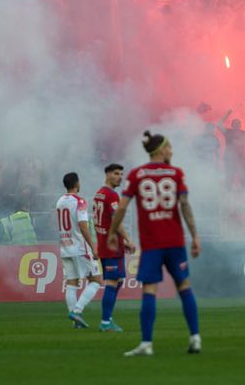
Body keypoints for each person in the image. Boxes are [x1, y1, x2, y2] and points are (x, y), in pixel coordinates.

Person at [107, 130, 201, 357]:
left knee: (149, 290)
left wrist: (112, 232)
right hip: (175, 242)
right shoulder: (176, 173)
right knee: (184, 287)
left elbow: (121, 207)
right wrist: (194, 236)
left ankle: (146, 343)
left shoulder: (137, 175)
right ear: (160, 149)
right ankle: (195, 338)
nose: (171, 151)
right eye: (169, 147)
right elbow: (185, 205)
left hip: (152, 244)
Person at [55, 172, 102, 329]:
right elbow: (83, 225)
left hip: (65, 247)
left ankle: (76, 322)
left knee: (72, 282)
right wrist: (93, 245)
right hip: (79, 247)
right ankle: (77, 311)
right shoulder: (80, 201)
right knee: (96, 281)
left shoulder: (60, 201)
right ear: (77, 183)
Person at [93, 163, 135, 332]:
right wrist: (128, 239)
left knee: (118, 280)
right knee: (112, 281)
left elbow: (103, 221)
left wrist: (120, 241)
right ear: (108, 174)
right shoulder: (111, 196)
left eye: (121, 173)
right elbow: (116, 221)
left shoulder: (99, 194)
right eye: (116, 173)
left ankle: (108, 317)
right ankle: (105, 322)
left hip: (107, 243)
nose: (120, 177)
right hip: (110, 246)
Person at [223, 118, 245, 190]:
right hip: (230, 160)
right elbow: (218, 124)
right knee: (229, 178)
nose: (237, 125)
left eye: (238, 123)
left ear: (240, 125)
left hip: (241, 160)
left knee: (243, 178)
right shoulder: (228, 132)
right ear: (232, 125)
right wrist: (227, 114)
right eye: (235, 123)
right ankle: (227, 195)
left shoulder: (244, 134)